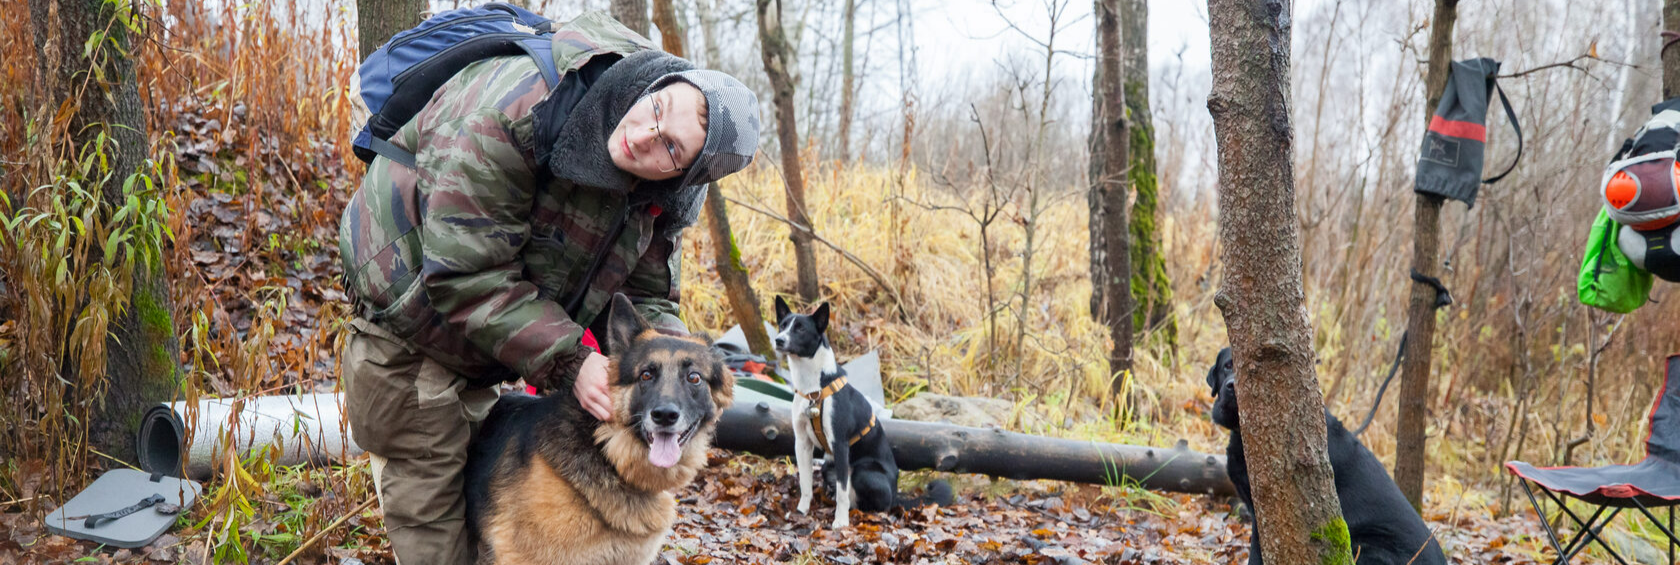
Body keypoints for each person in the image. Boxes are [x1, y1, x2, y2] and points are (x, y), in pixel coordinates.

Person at [335, 11, 760, 564]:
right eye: (658, 109)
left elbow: (650, 295)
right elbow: (465, 274)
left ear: (685, 176)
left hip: (494, 340)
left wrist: (674, 369)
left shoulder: (664, 196)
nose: (647, 136)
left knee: (484, 497)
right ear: (657, 84)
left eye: (672, 150)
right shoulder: (513, 111)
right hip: (410, 319)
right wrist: (572, 358)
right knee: (435, 514)